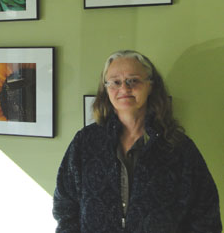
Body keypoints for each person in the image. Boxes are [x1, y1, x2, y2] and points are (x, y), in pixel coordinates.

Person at [53, 50, 222, 233]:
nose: (124, 89)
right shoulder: (85, 142)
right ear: (106, 89)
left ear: (150, 86)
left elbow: (206, 214)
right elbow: (65, 208)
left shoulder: (178, 147)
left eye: (133, 80)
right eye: (115, 82)